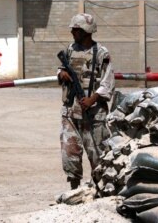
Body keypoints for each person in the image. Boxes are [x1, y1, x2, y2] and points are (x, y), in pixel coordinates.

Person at [57, 13, 114, 190]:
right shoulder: (69, 50)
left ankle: (100, 190)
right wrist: (62, 74)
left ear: (86, 30)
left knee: (97, 154)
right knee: (70, 153)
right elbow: (59, 70)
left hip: (94, 113)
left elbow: (107, 82)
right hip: (70, 112)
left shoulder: (101, 53)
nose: (72, 32)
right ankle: (75, 191)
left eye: (76, 29)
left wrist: (92, 99)